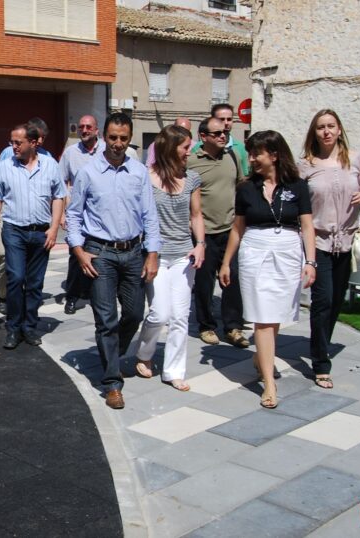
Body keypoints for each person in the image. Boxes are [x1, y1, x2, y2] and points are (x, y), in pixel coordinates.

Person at [66, 112, 160, 410]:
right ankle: (112, 383)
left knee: (134, 313)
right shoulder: (89, 172)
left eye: (123, 138)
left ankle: (111, 356)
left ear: (129, 138)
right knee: (106, 320)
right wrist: (79, 250)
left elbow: (149, 214)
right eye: (112, 137)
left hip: (134, 253)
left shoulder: (139, 171)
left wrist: (153, 253)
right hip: (100, 254)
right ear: (103, 137)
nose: (118, 143)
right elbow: (73, 214)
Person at [219, 130, 317, 409]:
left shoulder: (297, 185)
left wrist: (310, 262)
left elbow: (307, 226)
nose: (251, 158)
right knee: (262, 318)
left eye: (256, 153)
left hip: (288, 251)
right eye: (250, 153)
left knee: (276, 315)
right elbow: (238, 228)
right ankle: (269, 382)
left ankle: (260, 356)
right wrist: (226, 262)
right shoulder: (246, 188)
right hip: (255, 251)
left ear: (273, 155)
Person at [299, 109, 360, 390]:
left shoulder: (355, 159)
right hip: (319, 241)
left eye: (331, 126)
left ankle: (322, 344)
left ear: (339, 129)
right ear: (314, 132)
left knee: (337, 301)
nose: (326, 131)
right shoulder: (305, 165)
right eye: (320, 127)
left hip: (348, 240)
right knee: (323, 300)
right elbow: (300, 204)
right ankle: (320, 363)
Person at [132, 125, 205, 391]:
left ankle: (173, 370)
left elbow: (196, 215)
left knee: (180, 317)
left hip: (184, 255)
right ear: (169, 148)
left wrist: (201, 245)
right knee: (160, 313)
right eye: (186, 147)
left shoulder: (192, 178)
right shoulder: (145, 177)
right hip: (156, 256)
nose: (190, 152)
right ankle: (144, 353)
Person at [0, 123, 66, 350]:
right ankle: (13, 328)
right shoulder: (4, 167)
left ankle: (30, 327)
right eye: (12, 142)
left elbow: (59, 197)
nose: (13, 146)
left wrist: (53, 229)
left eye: (17, 142)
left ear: (33, 143)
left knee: (34, 284)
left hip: (41, 232)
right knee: (16, 278)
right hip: (14, 230)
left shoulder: (50, 165)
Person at [188, 116, 248, 348]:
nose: (223, 136)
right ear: (203, 137)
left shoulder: (232, 156)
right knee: (204, 283)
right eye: (217, 133)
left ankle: (233, 327)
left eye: (224, 132)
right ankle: (206, 325)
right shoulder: (191, 161)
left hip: (230, 229)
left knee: (232, 279)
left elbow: (241, 185)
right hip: (205, 233)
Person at [59, 114, 105, 314]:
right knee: (75, 255)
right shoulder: (70, 153)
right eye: (81, 127)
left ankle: (96, 294)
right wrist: (61, 214)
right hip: (78, 214)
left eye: (88, 127)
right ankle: (72, 296)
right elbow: (60, 184)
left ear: (97, 130)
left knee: (100, 255)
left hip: (102, 214)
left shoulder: (106, 150)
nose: (84, 130)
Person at [194, 104, 249, 176]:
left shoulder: (240, 148)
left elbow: (244, 175)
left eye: (229, 119)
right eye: (221, 119)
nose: (226, 123)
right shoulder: (199, 147)